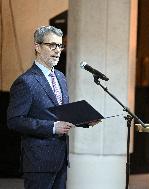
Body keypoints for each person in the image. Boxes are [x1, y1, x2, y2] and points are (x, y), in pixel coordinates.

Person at [7, 26, 74, 189]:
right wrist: (51, 128)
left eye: (59, 45)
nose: (57, 50)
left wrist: (84, 120)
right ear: (37, 46)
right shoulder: (26, 82)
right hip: (38, 162)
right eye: (52, 45)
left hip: (61, 158)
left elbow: (61, 112)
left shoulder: (60, 76)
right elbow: (14, 121)